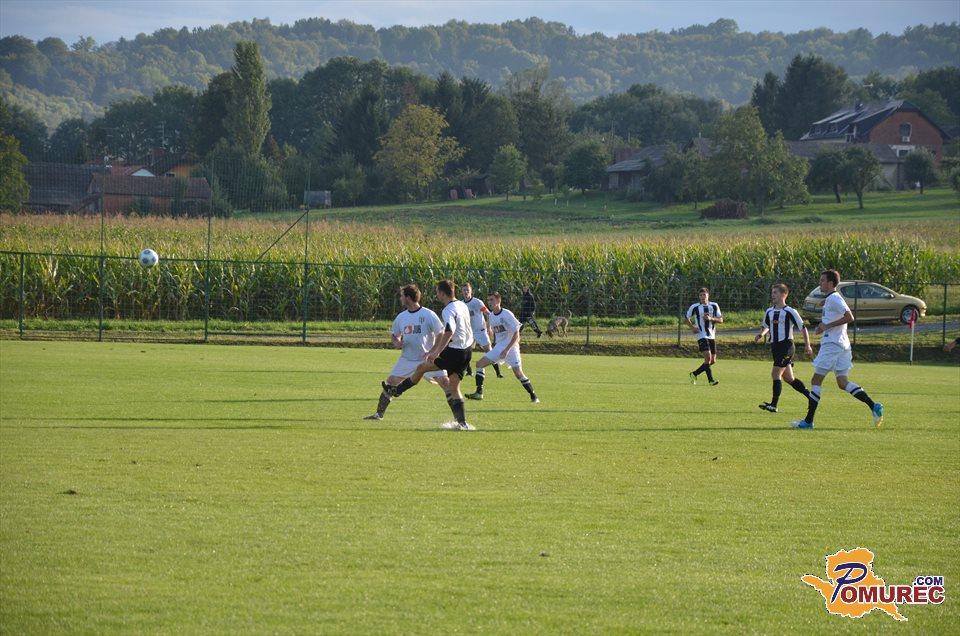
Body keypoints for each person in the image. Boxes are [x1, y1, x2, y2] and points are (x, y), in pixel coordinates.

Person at [791, 269, 884, 429]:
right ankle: (873, 405)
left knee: (816, 380)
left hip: (832, 344)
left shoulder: (834, 298)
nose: (820, 283)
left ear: (830, 283)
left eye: (822, 280)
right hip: (842, 345)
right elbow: (835, 309)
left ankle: (808, 421)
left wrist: (826, 326)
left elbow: (849, 317)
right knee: (842, 382)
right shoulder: (832, 298)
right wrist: (824, 309)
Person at [383, 279, 475, 430]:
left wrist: (436, 352)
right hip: (467, 351)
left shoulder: (448, 310)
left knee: (422, 368)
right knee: (453, 387)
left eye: (438, 292)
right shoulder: (462, 305)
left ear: (443, 293)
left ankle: (397, 390)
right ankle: (462, 424)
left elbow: (449, 330)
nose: (437, 295)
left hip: (454, 351)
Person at [363, 285, 449, 421]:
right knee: (391, 381)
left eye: (402, 296)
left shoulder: (428, 314)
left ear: (408, 297)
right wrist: (397, 342)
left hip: (427, 359)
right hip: (407, 359)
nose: (400, 298)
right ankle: (378, 415)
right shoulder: (401, 317)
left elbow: (441, 333)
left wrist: (433, 352)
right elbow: (394, 335)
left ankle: (460, 419)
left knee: (445, 382)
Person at [466, 292, 539, 403]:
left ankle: (533, 396)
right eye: (488, 300)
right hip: (499, 347)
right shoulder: (491, 316)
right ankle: (479, 393)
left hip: (511, 347)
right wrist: (489, 331)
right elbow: (495, 329)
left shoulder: (506, 314)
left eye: (492, 300)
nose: (489, 302)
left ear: (498, 300)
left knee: (518, 373)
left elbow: (517, 334)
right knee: (479, 364)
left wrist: (507, 349)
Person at [755, 283, 813, 413]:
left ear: (784, 294)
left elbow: (803, 328)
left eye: (775, 292)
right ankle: (811, 397)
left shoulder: (790, 311)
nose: (772, 295)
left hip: (786, 346)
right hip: (775, 347)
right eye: (772, 292)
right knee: (789, 378)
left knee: (775, 373)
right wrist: (761, 334)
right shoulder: (769, 311)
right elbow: (767, 326)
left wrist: (807, 345)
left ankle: (773, 405)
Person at [462, 282, 503, 380]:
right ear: (461, 292)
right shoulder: (461, 304)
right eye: (464, 290)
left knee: (489, 350)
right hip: (468, 332)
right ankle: (469, 371)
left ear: (471, 291)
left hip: (480, 331)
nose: (466, 292)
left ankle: (498, 373)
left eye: (467, 290)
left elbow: (488, 314)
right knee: (464, 351)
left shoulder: (477, 302)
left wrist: (489, 328)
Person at [686, 287, 722, 385]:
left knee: (713, 360)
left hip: (711, 335)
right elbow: (686, 317)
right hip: (701, 334)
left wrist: (711, 319)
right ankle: (711, 381)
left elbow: (721, 320)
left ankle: (694, 374)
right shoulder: (695, 306)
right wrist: (692, 327)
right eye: (700, 295)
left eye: (704, 295)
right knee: (708, 358)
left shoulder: (714, 305)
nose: (702, 297)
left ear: (708, 295)